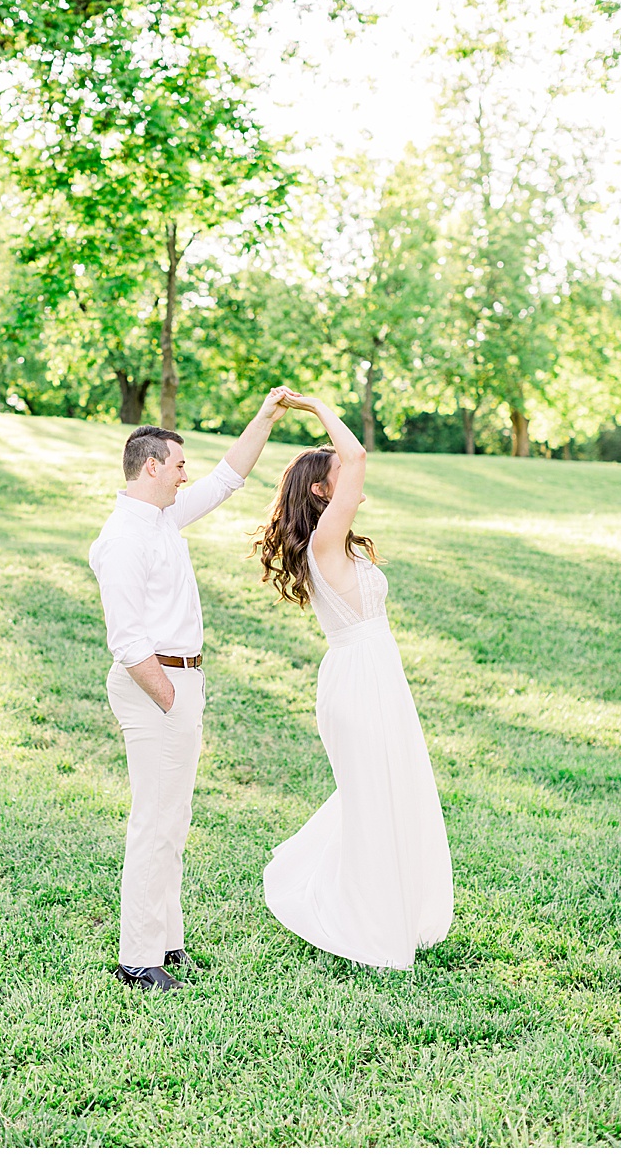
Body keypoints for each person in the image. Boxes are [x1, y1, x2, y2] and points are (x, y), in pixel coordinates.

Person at [88, 391, 292, 991]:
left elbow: (228, 479)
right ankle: (137, 959)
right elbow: (127, 642)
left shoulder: (161, 519)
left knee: (173, 820)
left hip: (180, 682)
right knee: (154, 823)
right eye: (178, 465)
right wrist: (172, 699)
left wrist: (265, 417)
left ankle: (165, 943)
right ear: (152, 466)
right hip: (156, 687)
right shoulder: (124, 539)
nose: (185, 475)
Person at [254, 395, 453, 968]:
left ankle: (393, 913)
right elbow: (358, 454)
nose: (352, 472)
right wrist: (316, 406)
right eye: (337, 473)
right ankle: (366, 923)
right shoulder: (323, 541)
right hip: (359, 679)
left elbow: (354, 461)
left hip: (373, 673)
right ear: (323, 491)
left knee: (389, 792)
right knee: (373, 799)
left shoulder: (333, 543)